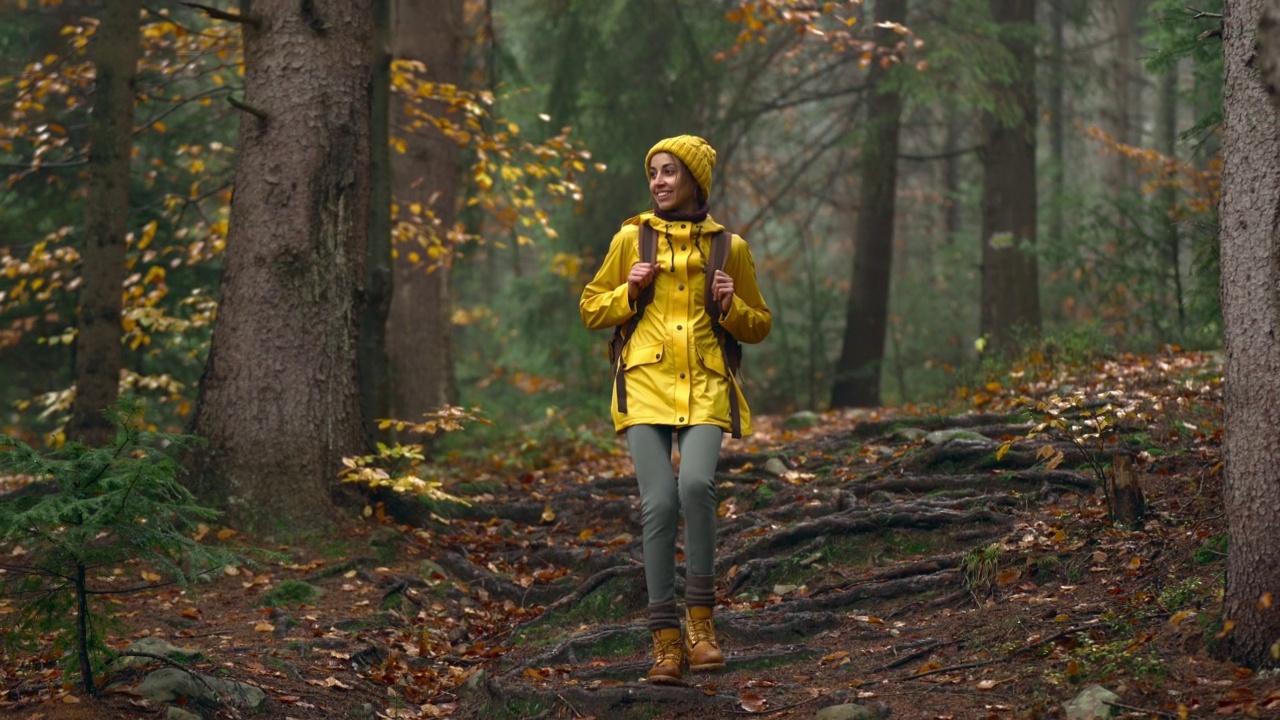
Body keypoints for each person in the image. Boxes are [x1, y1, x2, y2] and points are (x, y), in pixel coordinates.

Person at [579, 135, 771, 684]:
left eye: (668, 172)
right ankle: (665, 641)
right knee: (659, 503)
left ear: (693, 179)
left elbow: (760, 324)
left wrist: (733, 307)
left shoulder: (729, 246)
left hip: (707, 384)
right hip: (643, 383)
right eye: (653, 174)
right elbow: (592, 307)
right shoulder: (630, 239)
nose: (658, 182)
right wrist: (628, 293)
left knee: (696, 488)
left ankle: (703, 626)